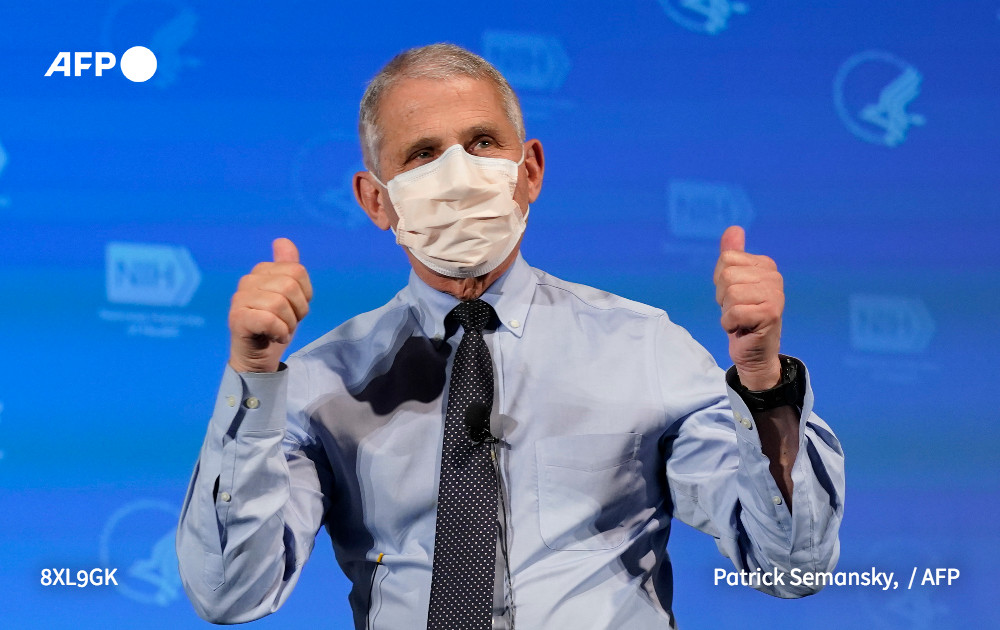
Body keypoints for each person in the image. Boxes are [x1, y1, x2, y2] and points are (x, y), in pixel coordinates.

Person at [176, 43, 844, 629]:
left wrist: (761, 381)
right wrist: (255, 377)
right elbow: (230, 595)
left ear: (529, 171)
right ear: (375, 199)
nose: (458, 174)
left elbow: (790, 564)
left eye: (483, 143)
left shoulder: (646, 349)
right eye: (423, 154)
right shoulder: (325, 383)